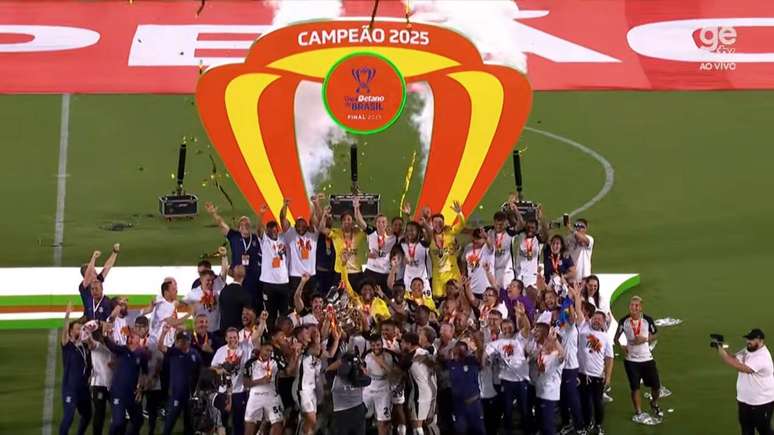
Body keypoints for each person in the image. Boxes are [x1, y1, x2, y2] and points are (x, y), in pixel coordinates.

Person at [715, 328, 774, 435]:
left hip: (761, 402)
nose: (748, 342)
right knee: (746, 431)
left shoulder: (762, 357)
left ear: (760, 340)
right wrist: (720, 345)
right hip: (744, 400)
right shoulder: (748, 350)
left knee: (764, 431)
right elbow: (733, 357)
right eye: (747, 339)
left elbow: (737, 365)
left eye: (751, 339)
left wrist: (720, 348)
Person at [205, 201, 262, 309]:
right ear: (238, 227)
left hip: (254, 278)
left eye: (247, 224)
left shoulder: (255, 238)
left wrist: (261, 214)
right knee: (240, 304)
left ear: (250, 226)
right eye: (242, 224)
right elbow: (221, 225)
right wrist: (213, 213)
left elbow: (260, 229)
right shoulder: (234, 236)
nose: (244, 226)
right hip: (239, 277)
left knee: (255, 305)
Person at [614, 295, 662, 423]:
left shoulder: (647, 320)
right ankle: (639, 412)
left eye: (636, 305)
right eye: (631, 305)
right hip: (631, 360)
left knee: (656, 387)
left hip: (647, 358)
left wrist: (645, 339)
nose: (633, 307)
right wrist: (622, 347)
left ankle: (654, 402)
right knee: (635, 387)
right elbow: (616, 338)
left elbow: (656, 334)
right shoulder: (624, 321)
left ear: (641, 307)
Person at [485, 305, 532, 434]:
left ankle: (528, 431)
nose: (507, 330)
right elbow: (489, 356)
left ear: (514, 328)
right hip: (506, 381)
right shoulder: (497, 343)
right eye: (504, 328)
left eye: (509, 328)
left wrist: (523, 315)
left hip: (521, 380)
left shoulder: (519, 338)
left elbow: (527, 328)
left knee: (524, 409)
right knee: (507, 410)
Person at [103, 323, 149, 435]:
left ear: (139, 339)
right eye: (130, 335)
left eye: (134, 335)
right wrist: (105, 334)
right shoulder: (122, 350)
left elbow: (145, 373)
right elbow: (109, 344)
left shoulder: (142, 354)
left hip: (132, 394)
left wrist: (140, 389)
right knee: (118, 422)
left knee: (138, 420)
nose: (131, 336)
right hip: (118, 393)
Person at [577, 296, 614, 435]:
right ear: (591, 318)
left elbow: (609, 358)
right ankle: (588, 423)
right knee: (585, 402)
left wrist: (608, 376)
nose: (597, 320)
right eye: (595, 318)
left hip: (597, 375)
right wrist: (577, 297)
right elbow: (579, 312)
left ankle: (598, 425)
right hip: (582, 374)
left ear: (604, 322)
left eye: (600, 319)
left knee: (598, 402)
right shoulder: (583, 329)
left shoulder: (605, 338)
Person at [158, 328, 202, 435]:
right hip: (176, 394)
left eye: (186, 340)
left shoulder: (194, 354)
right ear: (177, 341)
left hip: (190, 394)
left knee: (189, 422)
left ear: (190, 340)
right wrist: (163, 333)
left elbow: (200, 371)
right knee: (170, 420)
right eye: (181, 340)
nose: (183, 342)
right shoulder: (174, 352)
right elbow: (160, 346)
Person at [211, 327, 253, 435]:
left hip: (239, 392)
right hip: (223, 392)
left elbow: (256, 335)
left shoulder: (244, 349)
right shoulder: (221, 351)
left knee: (238, 422)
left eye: (235, 337)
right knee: (222, 422)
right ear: (225, 338)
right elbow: (212, 369)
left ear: (238, 338)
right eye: (230, 337)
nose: (232, 340)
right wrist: (223, 369)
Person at [59, 303, 92, 435]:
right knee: (68, 417)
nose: (80, 331)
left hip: (83, 389)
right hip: (70, 388)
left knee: (88, 415)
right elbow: (64, 332)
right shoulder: (67, 345)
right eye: (77, 329)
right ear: (71, 331)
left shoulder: (85, 347)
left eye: (81, 329)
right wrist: (67, 315)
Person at [318, 202, 366, 291]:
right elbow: (321, 229)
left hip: (355, 272)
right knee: (340, 299)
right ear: (341, 222)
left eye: (349, 219)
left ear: (353, 221)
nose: (346, 222)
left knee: (356, 300)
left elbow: (364, 225)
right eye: (344, 220)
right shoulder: (336, 233)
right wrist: (324, 214)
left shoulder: (358, 233)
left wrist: (356, 208)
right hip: (340, 272)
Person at [421, 201, 465, 299]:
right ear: (432, 224)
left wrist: (459, 213)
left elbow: (461, 225)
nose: (438, 224)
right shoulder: (429, 237)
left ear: (444, 223)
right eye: (435, 222)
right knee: (439, 298)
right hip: (438, 276)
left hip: (452, 272)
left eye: (440, 222)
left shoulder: (449, 233)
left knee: (457, 296)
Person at [244, 341, 287, 435]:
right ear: (260, 348)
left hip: (272, 397)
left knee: (278, 426)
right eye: (266, 350)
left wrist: (295, 355)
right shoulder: (250, 363)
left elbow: (289, 371)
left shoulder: (275, 361)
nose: (268, 353)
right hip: (255, 397)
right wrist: (261, 381)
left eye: (271, 351)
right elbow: (246, 384)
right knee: (249, 430)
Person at [443, 339, 486, 435]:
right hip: (459, 406)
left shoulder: (472, 362)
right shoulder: (451, 364)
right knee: (460, 431)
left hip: (474, 404)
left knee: (478, 431)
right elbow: (441, 356)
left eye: (461, 351)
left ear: (466, 352)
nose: (458, 354)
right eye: (456, 351)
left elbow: (480, 354)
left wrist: (474, 344)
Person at [256, 212, 291, 328]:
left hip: (283, 283)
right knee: (270, 313)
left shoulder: (283, 238)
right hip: (269, 283)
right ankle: (271, 337)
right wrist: (261, 215)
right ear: (267, 232)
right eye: (271, 231)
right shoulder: (265, 241)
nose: (274, 233)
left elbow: (285, 223)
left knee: (284, 313)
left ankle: (284, 335)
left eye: (275, 230)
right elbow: (259, 230)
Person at [280, 198, 319, 298]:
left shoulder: (312, 235)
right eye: (298, 225)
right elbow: (282, 219)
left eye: (303, 225)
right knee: (295, 302)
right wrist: (285, 206)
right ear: (294, 226)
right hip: (295, 276)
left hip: (311, 275)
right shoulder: (290, 234)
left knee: (311, 301)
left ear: (307, 225)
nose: (301, 227)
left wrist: (314, 206)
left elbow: (314, 220)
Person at [401, 331, 438, 435]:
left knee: (416, 426)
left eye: (403, 342)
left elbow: (395, 375)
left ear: (408, 344)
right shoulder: (427, 352)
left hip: (419, 395)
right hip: (432, 392)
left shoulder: (408, 358)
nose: (401, 345)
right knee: (430, 423)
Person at [364, 334, 400, 435]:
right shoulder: (367, 356)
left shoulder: (388, 356)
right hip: (369, 388)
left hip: (383, 389)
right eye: (373, 345)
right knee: (362, 415)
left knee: (383, 420)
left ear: (382, 344)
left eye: (378, 345)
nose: (376, 347)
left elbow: (392, 373)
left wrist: (381, 362)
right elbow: (366, 372)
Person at [78, 245, 120, 322]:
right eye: (94, 271)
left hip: (102, 315)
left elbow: (107, 267)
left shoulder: (97, 280)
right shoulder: (83, 287)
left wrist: (115, 252)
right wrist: (93, 258)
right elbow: (88, 274)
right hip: (89, 319)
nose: (96, 272)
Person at [185, 269, 223, 334]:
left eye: (212, 280)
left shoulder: (217, 291)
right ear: (201, 280)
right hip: (200, 331)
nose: (211, 282)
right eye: (208, 280)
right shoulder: (193, 293)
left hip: (217, 331)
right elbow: (180, 305)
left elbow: (224, 273)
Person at [399, 221, 431, 297]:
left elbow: (430, 236)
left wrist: (425, 224)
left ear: (418, 232)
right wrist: (403, 260)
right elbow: (398, 260)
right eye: (408, 230)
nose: (410, 232)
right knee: (408, 304)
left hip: (423, 280)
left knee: (427, 305)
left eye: (412, 230)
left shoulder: (423, 244)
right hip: (408, 281)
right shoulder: (402, 243)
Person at [487, 211, 518, 289]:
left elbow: (520, 226)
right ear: (493, 222)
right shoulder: (489, 231)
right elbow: (473, 231)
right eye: (496, 224)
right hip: (494, 271)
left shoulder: (509, 232)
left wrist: (515, 210)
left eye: (501, 224)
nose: (498, 227)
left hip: (507, 271)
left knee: (509, 296)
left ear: (505, 223)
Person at [462, 228, 496, 297]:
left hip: (486, 290)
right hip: (471, 289)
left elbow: (491, 245)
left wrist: (485, 236)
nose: (476, 240)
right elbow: (463, 261)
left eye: (479, 238)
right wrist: (464, 275)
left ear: (484, 239)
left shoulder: (487, 248)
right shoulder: (468, 247)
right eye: (475, 238)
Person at [218, 265, 251, 334]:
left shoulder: (224, 291)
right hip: (238, 332)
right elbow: (247, 316)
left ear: (233, 274)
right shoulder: (245, 294)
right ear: (244, 276)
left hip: (224, 331)